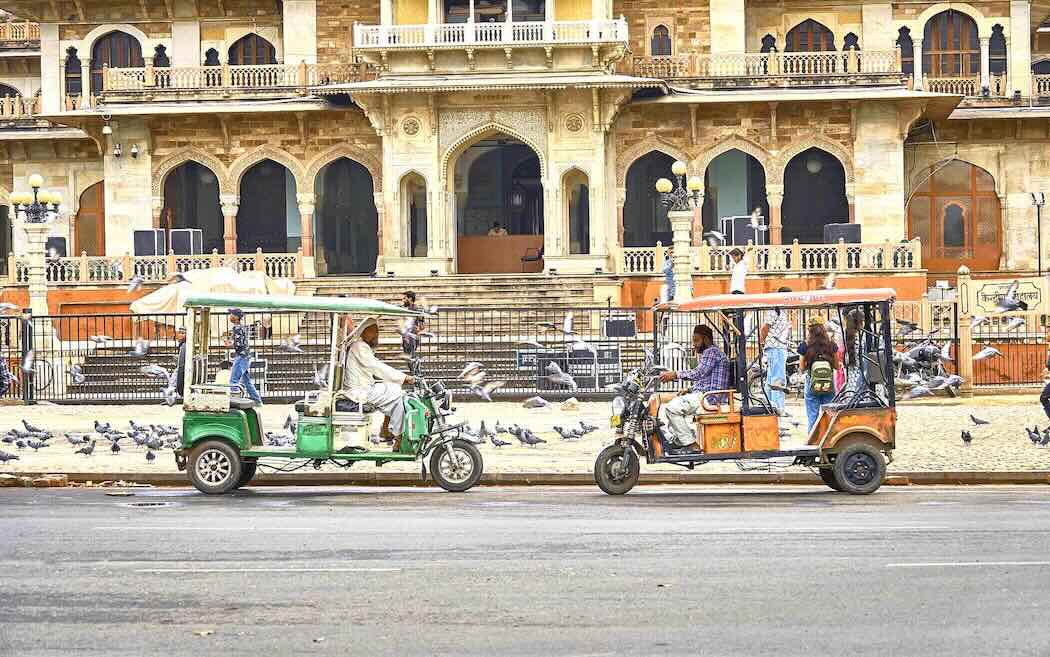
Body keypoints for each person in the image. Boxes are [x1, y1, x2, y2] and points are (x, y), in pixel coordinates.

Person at [340, 316, 417, 450]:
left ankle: (390, 432)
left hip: (364, 388)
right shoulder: (359, 346)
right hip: (358, 392)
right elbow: (377, 367)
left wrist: (398, 379)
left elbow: (375, 369)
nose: (377, 335)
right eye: (374, 331)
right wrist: (404, 377)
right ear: (365, 332)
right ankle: (394, 434)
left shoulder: (362, 346)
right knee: (398, 393)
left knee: (397, 394)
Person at [658, 325, 732, 453]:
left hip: (710, 398)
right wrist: (690, 389)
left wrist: (675, 374)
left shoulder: (711, 352)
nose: (694, 345)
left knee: (672, 408)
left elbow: (699, 373)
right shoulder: (712, 353)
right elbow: (705, 379)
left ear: (706, 339)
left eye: (696, 341)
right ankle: (679, 440)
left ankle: (690, 444)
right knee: (675, 404)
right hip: (707, 394)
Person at [800, 316, 840, 432]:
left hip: (812, 383)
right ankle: (828, 440)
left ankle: (812, 442)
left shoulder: (805, 345)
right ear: (823, 328)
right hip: (828, 384)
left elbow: (802, 368)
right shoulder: (831, 345)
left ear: (809, 330)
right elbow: (837, 366)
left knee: (812, 416)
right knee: (829, 414)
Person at [759, 286, 793, 415]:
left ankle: (770, 406)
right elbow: (764, 328)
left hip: (778, 347)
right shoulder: (775, 311)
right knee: (778, 379)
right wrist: (762, 343)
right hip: (776, 347)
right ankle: (778, 407)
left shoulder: (781, 312)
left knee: (772, 379)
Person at [225, 308, 262, 406]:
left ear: (236, 317)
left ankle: (235, 402)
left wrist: (230, 344)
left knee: (233, 381)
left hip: (241, 357)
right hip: (246, 356)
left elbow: (239, 344)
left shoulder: (237, 328)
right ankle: (258, 402)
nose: (230, 317)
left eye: (231, 314)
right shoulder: (243, 327)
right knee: (247, 381)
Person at [400, 290, 425, 355]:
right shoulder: (404, 308)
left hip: (412, 336)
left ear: (410, 298)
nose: (403, 300)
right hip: (406, 336)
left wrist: (417, 329)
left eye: (404, 298)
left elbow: (422, 325)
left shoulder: (416, 309)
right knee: (408, 355)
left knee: (411, 355)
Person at [173, 327, 187, 399]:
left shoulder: (184, 346)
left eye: (183, 333)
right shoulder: (182, 345)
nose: (180, 335)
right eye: (179, 333)